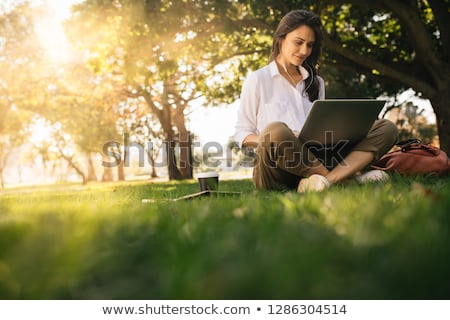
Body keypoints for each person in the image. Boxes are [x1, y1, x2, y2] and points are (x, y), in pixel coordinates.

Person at [234, 9, 398, 192]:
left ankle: (323, 181)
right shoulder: (258, 80)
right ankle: (345, 180)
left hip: (317, 157)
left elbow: (321, 126)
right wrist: (283, 139)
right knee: (275, 131)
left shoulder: (316, 82)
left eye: (310, 45)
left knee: (386, 128)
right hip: (276, 168)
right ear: (281, 38)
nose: (304, 51)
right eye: (298, 42)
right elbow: (242, 134)